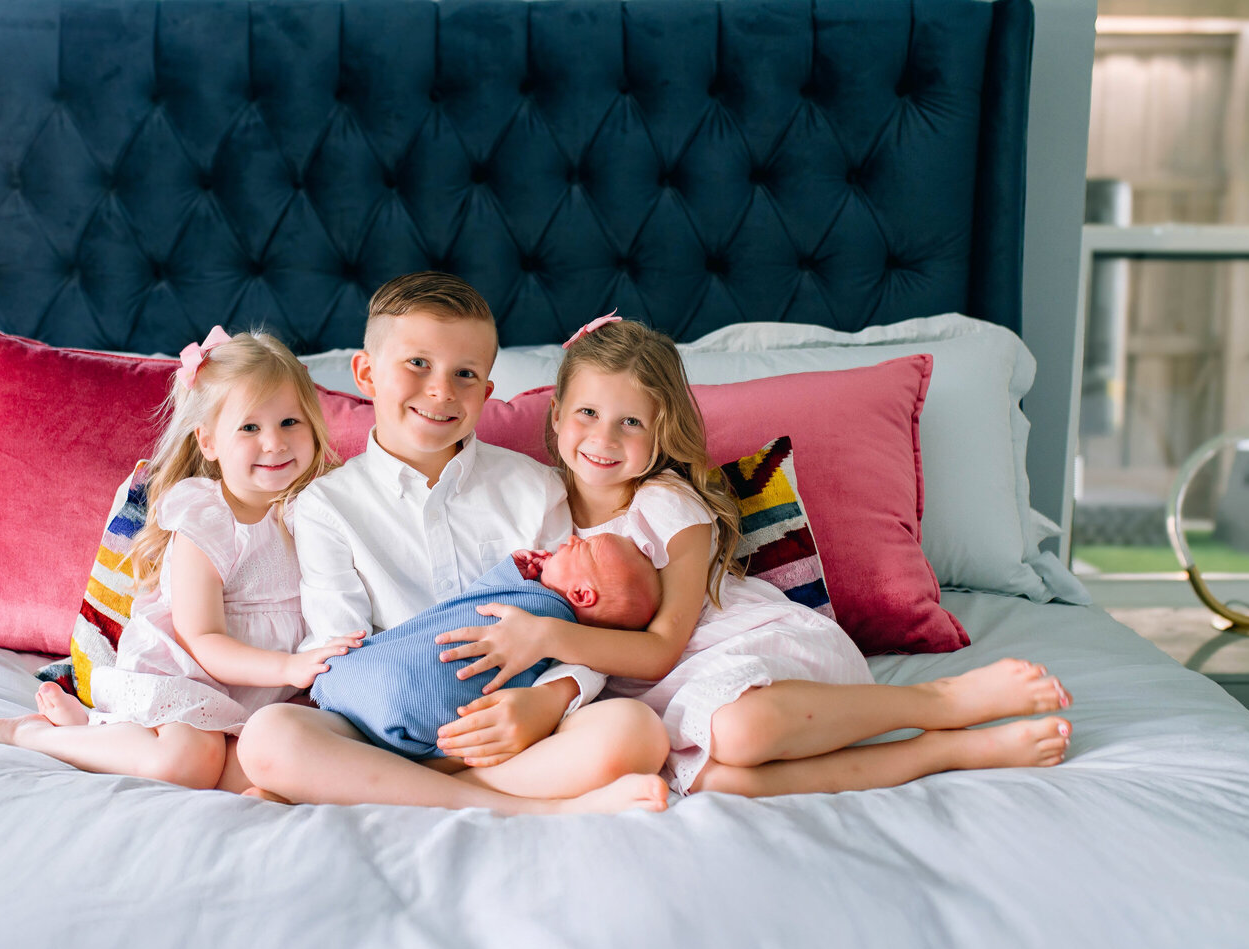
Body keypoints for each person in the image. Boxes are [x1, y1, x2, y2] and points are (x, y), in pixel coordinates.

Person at [435, 314, 1074, 798]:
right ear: (556, 416)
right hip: (652, 700)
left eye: (631, 422)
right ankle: (942, 753)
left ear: (661, 431)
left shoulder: (667, 507)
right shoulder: (537, 508)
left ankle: (940, 703)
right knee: (718, 780)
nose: (603, 437)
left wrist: (546, 635)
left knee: (739, 734)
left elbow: (661, 648)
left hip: (735, 650)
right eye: (587, 412)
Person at [237, 272, 672, 815]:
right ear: (367, 374)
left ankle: (389, 787)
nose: (441, 390)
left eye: (464, 373)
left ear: (486, 391)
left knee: (636, 730)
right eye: (418, 363)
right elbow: (337, 647)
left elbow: (581, 622)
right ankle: (533, 807)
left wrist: (546, 702)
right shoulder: (325, 505)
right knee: (269, 738)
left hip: (515, 723)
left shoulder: (535, 488)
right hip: (381, 725)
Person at [0, 328, 363, 792]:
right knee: (187, 763)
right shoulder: (206, 521)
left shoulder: (319, 508)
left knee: (272, 762)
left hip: (266, 692)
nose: (275, 443)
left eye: (289, 422)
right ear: (208, 442)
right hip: (188, 675)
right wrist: (286, 669)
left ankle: (98, 730)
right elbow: (203, 640)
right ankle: (36, 735)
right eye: (249, 428)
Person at [314, 533, 660, 758]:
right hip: (419, 728)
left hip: (367, 678)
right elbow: (472, 604)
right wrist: (514, 572)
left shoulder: (544, 615)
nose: (570, 538)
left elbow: (476, 600)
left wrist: (511, 572)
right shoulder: (564, 644)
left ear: (581, 595)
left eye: (581, 547)